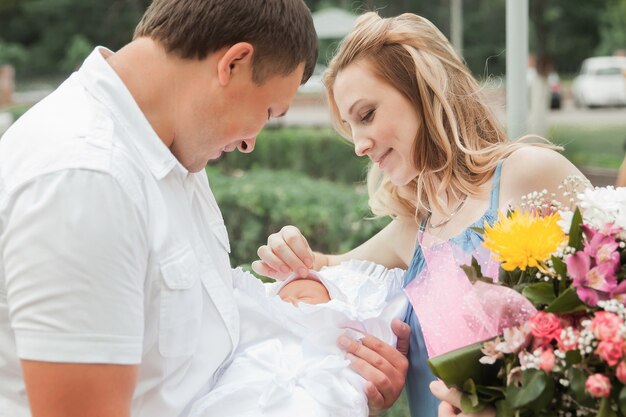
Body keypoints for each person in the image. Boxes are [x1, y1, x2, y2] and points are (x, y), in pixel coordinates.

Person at [252, 11, 586, 417]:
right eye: (350, 126)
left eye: (367, 114)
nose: (358, 144)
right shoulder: (414, 230)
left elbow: (610, 320)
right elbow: (319, 272)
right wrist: (287, 245)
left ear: (422, 90)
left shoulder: (531, 174)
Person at [0, 1, 318, 416]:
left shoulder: (172, 143)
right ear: (234, 63)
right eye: (269, 112)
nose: (250, 142)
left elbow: (196, 347)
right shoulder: (88, 180)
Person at [188, 260, 408, 417]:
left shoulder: (344, 339)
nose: (289, 302)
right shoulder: (265, 337)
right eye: (282, 298)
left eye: (304, 297)